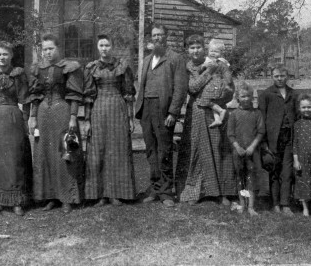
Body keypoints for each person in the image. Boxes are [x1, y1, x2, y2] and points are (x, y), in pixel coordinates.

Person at [28, 34, 85, 213]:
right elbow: (35, 96)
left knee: (64, 153)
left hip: (62, 111)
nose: (47, 52)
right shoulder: (39, 69)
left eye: (51, 48)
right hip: (44, 113)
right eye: (44, 49)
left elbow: (74, 94)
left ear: (58, 49)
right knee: (44, 154)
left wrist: (73, 117)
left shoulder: (68, 68)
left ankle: (66, 198)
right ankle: (50, 197)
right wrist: (33, 116)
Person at [175, 35, 235, 206]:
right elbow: (193, 87)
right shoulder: (189, 67)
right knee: (199, 150)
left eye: (198, 47)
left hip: (216, 108)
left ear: (204, 48)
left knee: (218, 149)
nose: (195, 50)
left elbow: (230, 87)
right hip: (198, 112)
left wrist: (218, 97)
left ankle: (222, 191)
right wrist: (209, 71)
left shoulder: (221, 64)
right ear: (188, 50)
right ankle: (195, 191)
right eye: (192, 48)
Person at [135, 24, 188, 207]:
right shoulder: (148, 59)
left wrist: (173, 112)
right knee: (151, 150)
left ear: (166, 37)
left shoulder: (175, 58)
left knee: (164, 150)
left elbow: (180, 88)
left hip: (163, 108)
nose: (157, 38)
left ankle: (166, 192)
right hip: (147, 108)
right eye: (154, 35)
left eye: (160, 35)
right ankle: (155, 188)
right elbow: (141, 85)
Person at [0, 41, 33, 216]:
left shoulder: (18, 75)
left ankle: (17, 201)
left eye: (5, 54)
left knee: (15, 158)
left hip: (13, 119)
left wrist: (25, 123)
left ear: (11, 56)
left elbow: (25, 102)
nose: (2, 58)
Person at [83, 34, 137, 206]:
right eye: (101, 45)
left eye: (107, 45)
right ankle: (100, 194)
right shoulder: (92, 68)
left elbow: (128, 93)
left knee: (117, 150)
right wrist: (87, 121)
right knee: (99, 149)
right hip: (99, 110)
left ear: (112, 46)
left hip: (118, 108)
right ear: (97, 47)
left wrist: (130, 118)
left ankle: (116, 193)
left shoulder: (121, 66)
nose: (104, 48)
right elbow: (89, 96)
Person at [258, 64, 297, 214]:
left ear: (287, 76)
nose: (280, 79)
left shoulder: (293, 94)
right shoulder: (266, 94)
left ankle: (285, 203)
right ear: (272, 77)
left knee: (287, 171)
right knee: (274, 170)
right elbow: (261, 119)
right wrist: (264, 142)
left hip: (289, 137)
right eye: (276, 76)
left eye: (282, 76)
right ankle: (275, 203)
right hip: (273, 138)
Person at [227, 82, 264, 216]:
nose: (246, 99)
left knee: (251, 177)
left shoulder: (257, 113)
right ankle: (242, 204)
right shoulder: (234, 114)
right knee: (240, 177)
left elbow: (260, 132)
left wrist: (252, 146)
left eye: (248, 96)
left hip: (252, 151)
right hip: (238, 151)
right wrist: (237, 147)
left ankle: (251, 206)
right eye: (243, 96)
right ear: (238, 98)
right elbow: (230, 134)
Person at [202, 39, 233, 129]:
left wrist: (227, 83)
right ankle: (217, 118)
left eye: (216, 51)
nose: (213, 53)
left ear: (221, 53)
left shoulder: (221, 62)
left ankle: (220, 111)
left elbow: (227, 74)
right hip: (213, 85)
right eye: (211, 51)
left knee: (207, 100)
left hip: (217, 86)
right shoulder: (208, 60)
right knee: (213, 102)